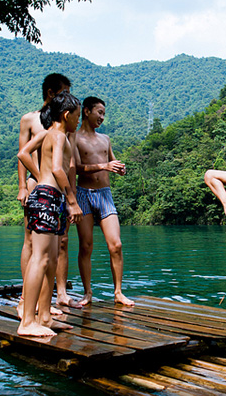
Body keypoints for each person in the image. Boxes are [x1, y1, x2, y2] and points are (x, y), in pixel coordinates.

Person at [16, 92, 83, 336]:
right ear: (66, 115)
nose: (78, 121)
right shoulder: (58, 135)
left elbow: (23, 153)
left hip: (51, 197)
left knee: (51, 260)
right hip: (47, 198)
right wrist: (72, 201)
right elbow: (57, 168)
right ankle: (27, 322)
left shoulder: (46, 133)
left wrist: (38, 176)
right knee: (41, 259)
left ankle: (44, 317)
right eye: (76, 116)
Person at [74, 97, 134, 306]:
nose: (102, 117)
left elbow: (111, 161)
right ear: (86, 111)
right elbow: (76, 168)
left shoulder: (105, 139)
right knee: (86, 246)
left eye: (104, 114)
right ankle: (87, 293)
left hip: (105, 195)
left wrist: (119, 168)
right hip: (83, 194)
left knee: (116, 245)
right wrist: (104, 166)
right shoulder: (74, 138)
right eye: (99, 112)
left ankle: (118, 292)